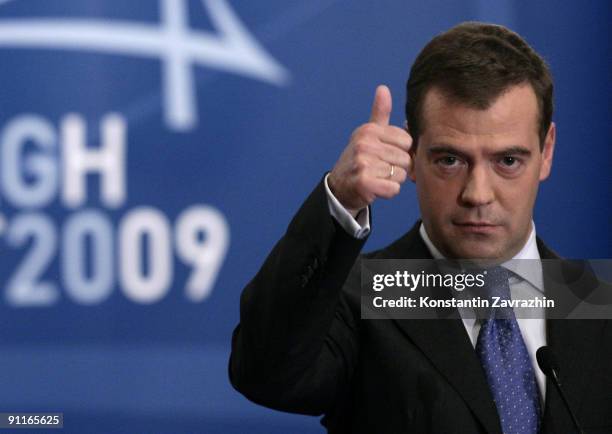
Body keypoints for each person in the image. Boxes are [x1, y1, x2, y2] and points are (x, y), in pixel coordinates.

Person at [228, 22, 612, 433]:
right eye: (450, 160)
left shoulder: (596, 301)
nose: (478, 194)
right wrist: (340, 196)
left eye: (508, 162)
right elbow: (266, 374)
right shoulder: (365, 298)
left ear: (547, 151)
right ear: (411, 154)